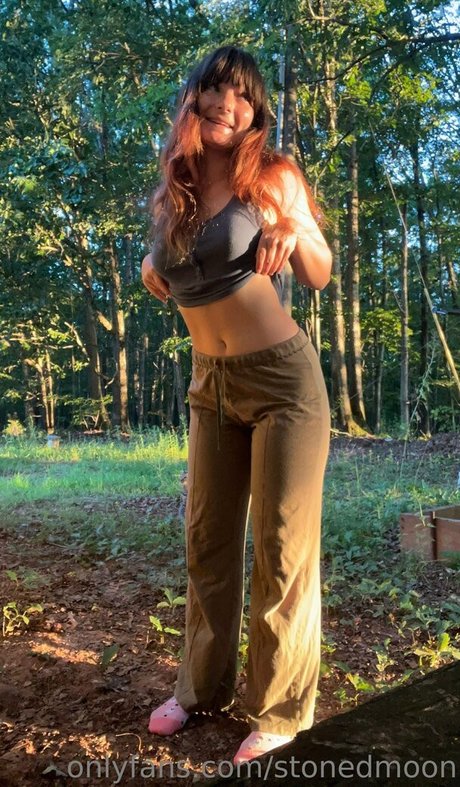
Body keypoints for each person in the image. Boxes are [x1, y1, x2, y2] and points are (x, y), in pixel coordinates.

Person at [141, 45, 332, 766]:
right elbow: (171, 260)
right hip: (210, 386)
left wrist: (294, 231)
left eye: (245, 95)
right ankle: (201, 689)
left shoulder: (272, 175)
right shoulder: (176, 185)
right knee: (207, 542)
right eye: (217, 88)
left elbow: (319, 271)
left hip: (282, 383)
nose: (229, 103)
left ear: (256, 113)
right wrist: (151, 264)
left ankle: (280, 711)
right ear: (194, 98)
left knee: (281, 546)